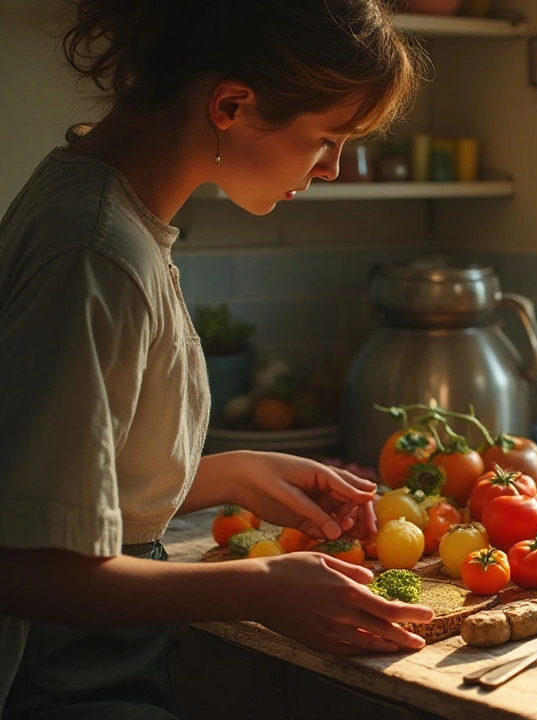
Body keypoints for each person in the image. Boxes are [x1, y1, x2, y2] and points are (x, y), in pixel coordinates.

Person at [0, 1, 433, 717]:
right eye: (327, 138)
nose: (332, 169)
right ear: (231, 104)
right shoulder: (98, 253)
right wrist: (255, 589)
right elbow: (25, 568)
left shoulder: (100, 205)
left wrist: (228, 476)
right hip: (62, 683)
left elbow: (60, 492)